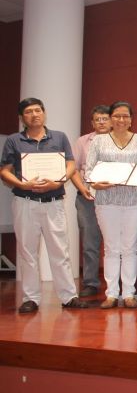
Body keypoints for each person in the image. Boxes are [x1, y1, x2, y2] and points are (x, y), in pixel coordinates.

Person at [0, 98, 89, 313]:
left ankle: (69, 297)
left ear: (44, 113)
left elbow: (70, 164)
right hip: (24, 202)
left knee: (60, 251)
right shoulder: (14, 140)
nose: (34, 115)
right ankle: (31, 298)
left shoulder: (58, 137)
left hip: (54, 203)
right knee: (27, 252)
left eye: (38, 110)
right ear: (22, 117)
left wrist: (59, 181)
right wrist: (24, 183)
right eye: (29, 112)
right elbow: (4, 171)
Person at [87, 101, 137, 309]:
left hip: (135, 200)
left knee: (130, 247)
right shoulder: (98, 141)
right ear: (110, 118)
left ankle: (129, 294)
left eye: (125, 116)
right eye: (116, 116)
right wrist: (94, 183)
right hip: (107, 201)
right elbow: (89, 171)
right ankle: (112, 294)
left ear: (132, 119)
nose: (121, 120)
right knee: (111, 248)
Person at [72, 104, 111, 298]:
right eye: (98, 119)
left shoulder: (120, 141)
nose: (102, 122)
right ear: (92, 122)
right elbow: (73, 169)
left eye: (105, 118)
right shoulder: (82, 142)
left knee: (117, 243)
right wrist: (82, 189)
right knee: (90, 242)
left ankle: (118, 283)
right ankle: (90, 282)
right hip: (87, 198)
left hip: (113, 198)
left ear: (112, 121)